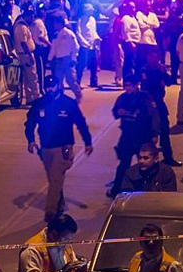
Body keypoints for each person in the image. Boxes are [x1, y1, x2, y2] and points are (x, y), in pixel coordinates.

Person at [24, 76, 93, 223]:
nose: (50, 89)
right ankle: (59, 207)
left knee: (55, 179)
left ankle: (50, 212)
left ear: (58, 86)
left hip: (63, 149)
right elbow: (29, 124)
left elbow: (81, 123)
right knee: (54, 180)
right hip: (45, 149)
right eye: (48, 87)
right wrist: (31, 140)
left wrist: (87, 142)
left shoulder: (68, 104)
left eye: (53, 86)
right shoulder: (39, 104)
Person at [109, 79, 159, 198]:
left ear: (136, 85)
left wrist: (155, 133)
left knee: (145, 164)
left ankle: (148, 189)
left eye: (129, 85)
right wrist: (118, 112)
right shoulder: (123, 98)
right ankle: (117, 189)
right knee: (123, 164)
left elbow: (154, 116)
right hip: (127, 136)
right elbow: (115, 111)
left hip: (142, 136)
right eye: (125, 86)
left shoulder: (145, 97)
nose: (127, 88)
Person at [141, 49, 182, 167]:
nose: (155, 60)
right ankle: (149, 159)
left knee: (164, 131)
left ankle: (168, 157)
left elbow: (169, 82)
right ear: (148, 57)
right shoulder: (145, 70)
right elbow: (145, 87)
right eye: (153, 57)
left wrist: (163, 72)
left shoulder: (160, 69)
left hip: (160, 103)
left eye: (157, 57)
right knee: (150, 134)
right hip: (149, 105)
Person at [48, 19, 81, 101]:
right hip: (58, 60)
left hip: (67, 59)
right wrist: (50, 59)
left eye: (56, 23)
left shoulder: (69, 33)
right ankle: (61, 98)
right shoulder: (56, 35)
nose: (55, 25)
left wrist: (74, 58)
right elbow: (53, 48)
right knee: (58, 80)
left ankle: (78, 93)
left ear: (61, 24)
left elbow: (76, 46)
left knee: (71, 80)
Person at [13, 6, 40, 103]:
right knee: (32, 77)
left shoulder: (23, 25)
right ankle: (35, 97)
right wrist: (29, 55)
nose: (32, 18)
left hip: (24, 54)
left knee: (28, 78)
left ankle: (30, 98)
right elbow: (23, 43)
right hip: (25, 55)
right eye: (31, 16)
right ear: (26, 16)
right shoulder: (21, 27)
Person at [75, 3, 101, 88]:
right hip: (84, 46)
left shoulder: (93, 19)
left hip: (92, 45)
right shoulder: (80, 20)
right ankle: (78, 82)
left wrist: (97, 38)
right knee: (82, 64)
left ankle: (94, 81)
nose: (92, 12)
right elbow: (78, 33)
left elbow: (93, 31)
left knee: (94, 63)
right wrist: (84, 42)